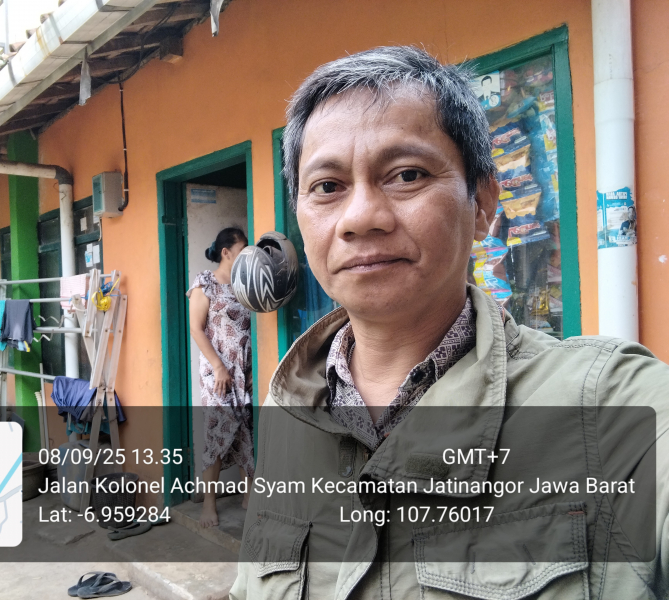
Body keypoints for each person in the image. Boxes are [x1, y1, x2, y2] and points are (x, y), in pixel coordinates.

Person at [230, 46, 668, 599]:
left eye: (406, 175)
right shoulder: (288, 410)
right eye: (327, 187)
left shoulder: (613, 411)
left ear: (482, 203)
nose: (360, 217)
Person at [187, 227, 254, 528]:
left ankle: (249, 496)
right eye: (242, 250)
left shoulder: (245, 284)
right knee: (216, 432)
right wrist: (218, 366)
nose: (246, 256)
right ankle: (209, 504)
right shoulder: (205, 284)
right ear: (226, 252)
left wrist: (250, 370)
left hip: (243, 372)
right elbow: (196, 328)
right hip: (217, 373)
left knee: (245, 430)